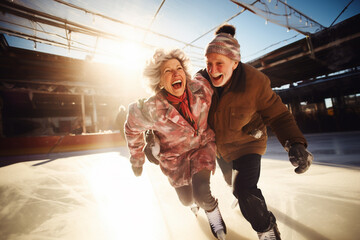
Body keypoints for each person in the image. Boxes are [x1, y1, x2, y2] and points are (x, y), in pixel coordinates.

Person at [195, 24, 314, 240]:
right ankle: (241, 196)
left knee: (244, 190)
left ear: (235, 62)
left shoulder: (255, 82)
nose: (212, 70)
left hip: (247, 144)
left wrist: (295, 143)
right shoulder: (201, 82)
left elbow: (278, 115)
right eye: (208, 63)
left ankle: (267, 229)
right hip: (220, 148)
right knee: (234, 187)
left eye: (219, 63)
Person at [124, 48, 226, 240]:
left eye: (178, 68)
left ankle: (212, 212)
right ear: (159, 81)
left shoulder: (201, 89)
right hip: (174, 159)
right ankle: (194, 204)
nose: (175, 73)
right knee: (187, 200)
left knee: (202, 191)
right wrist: (136, 159)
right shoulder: (150, 109)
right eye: (167, 71)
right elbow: (131, 129)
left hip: (202, 146)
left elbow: (221, 75)